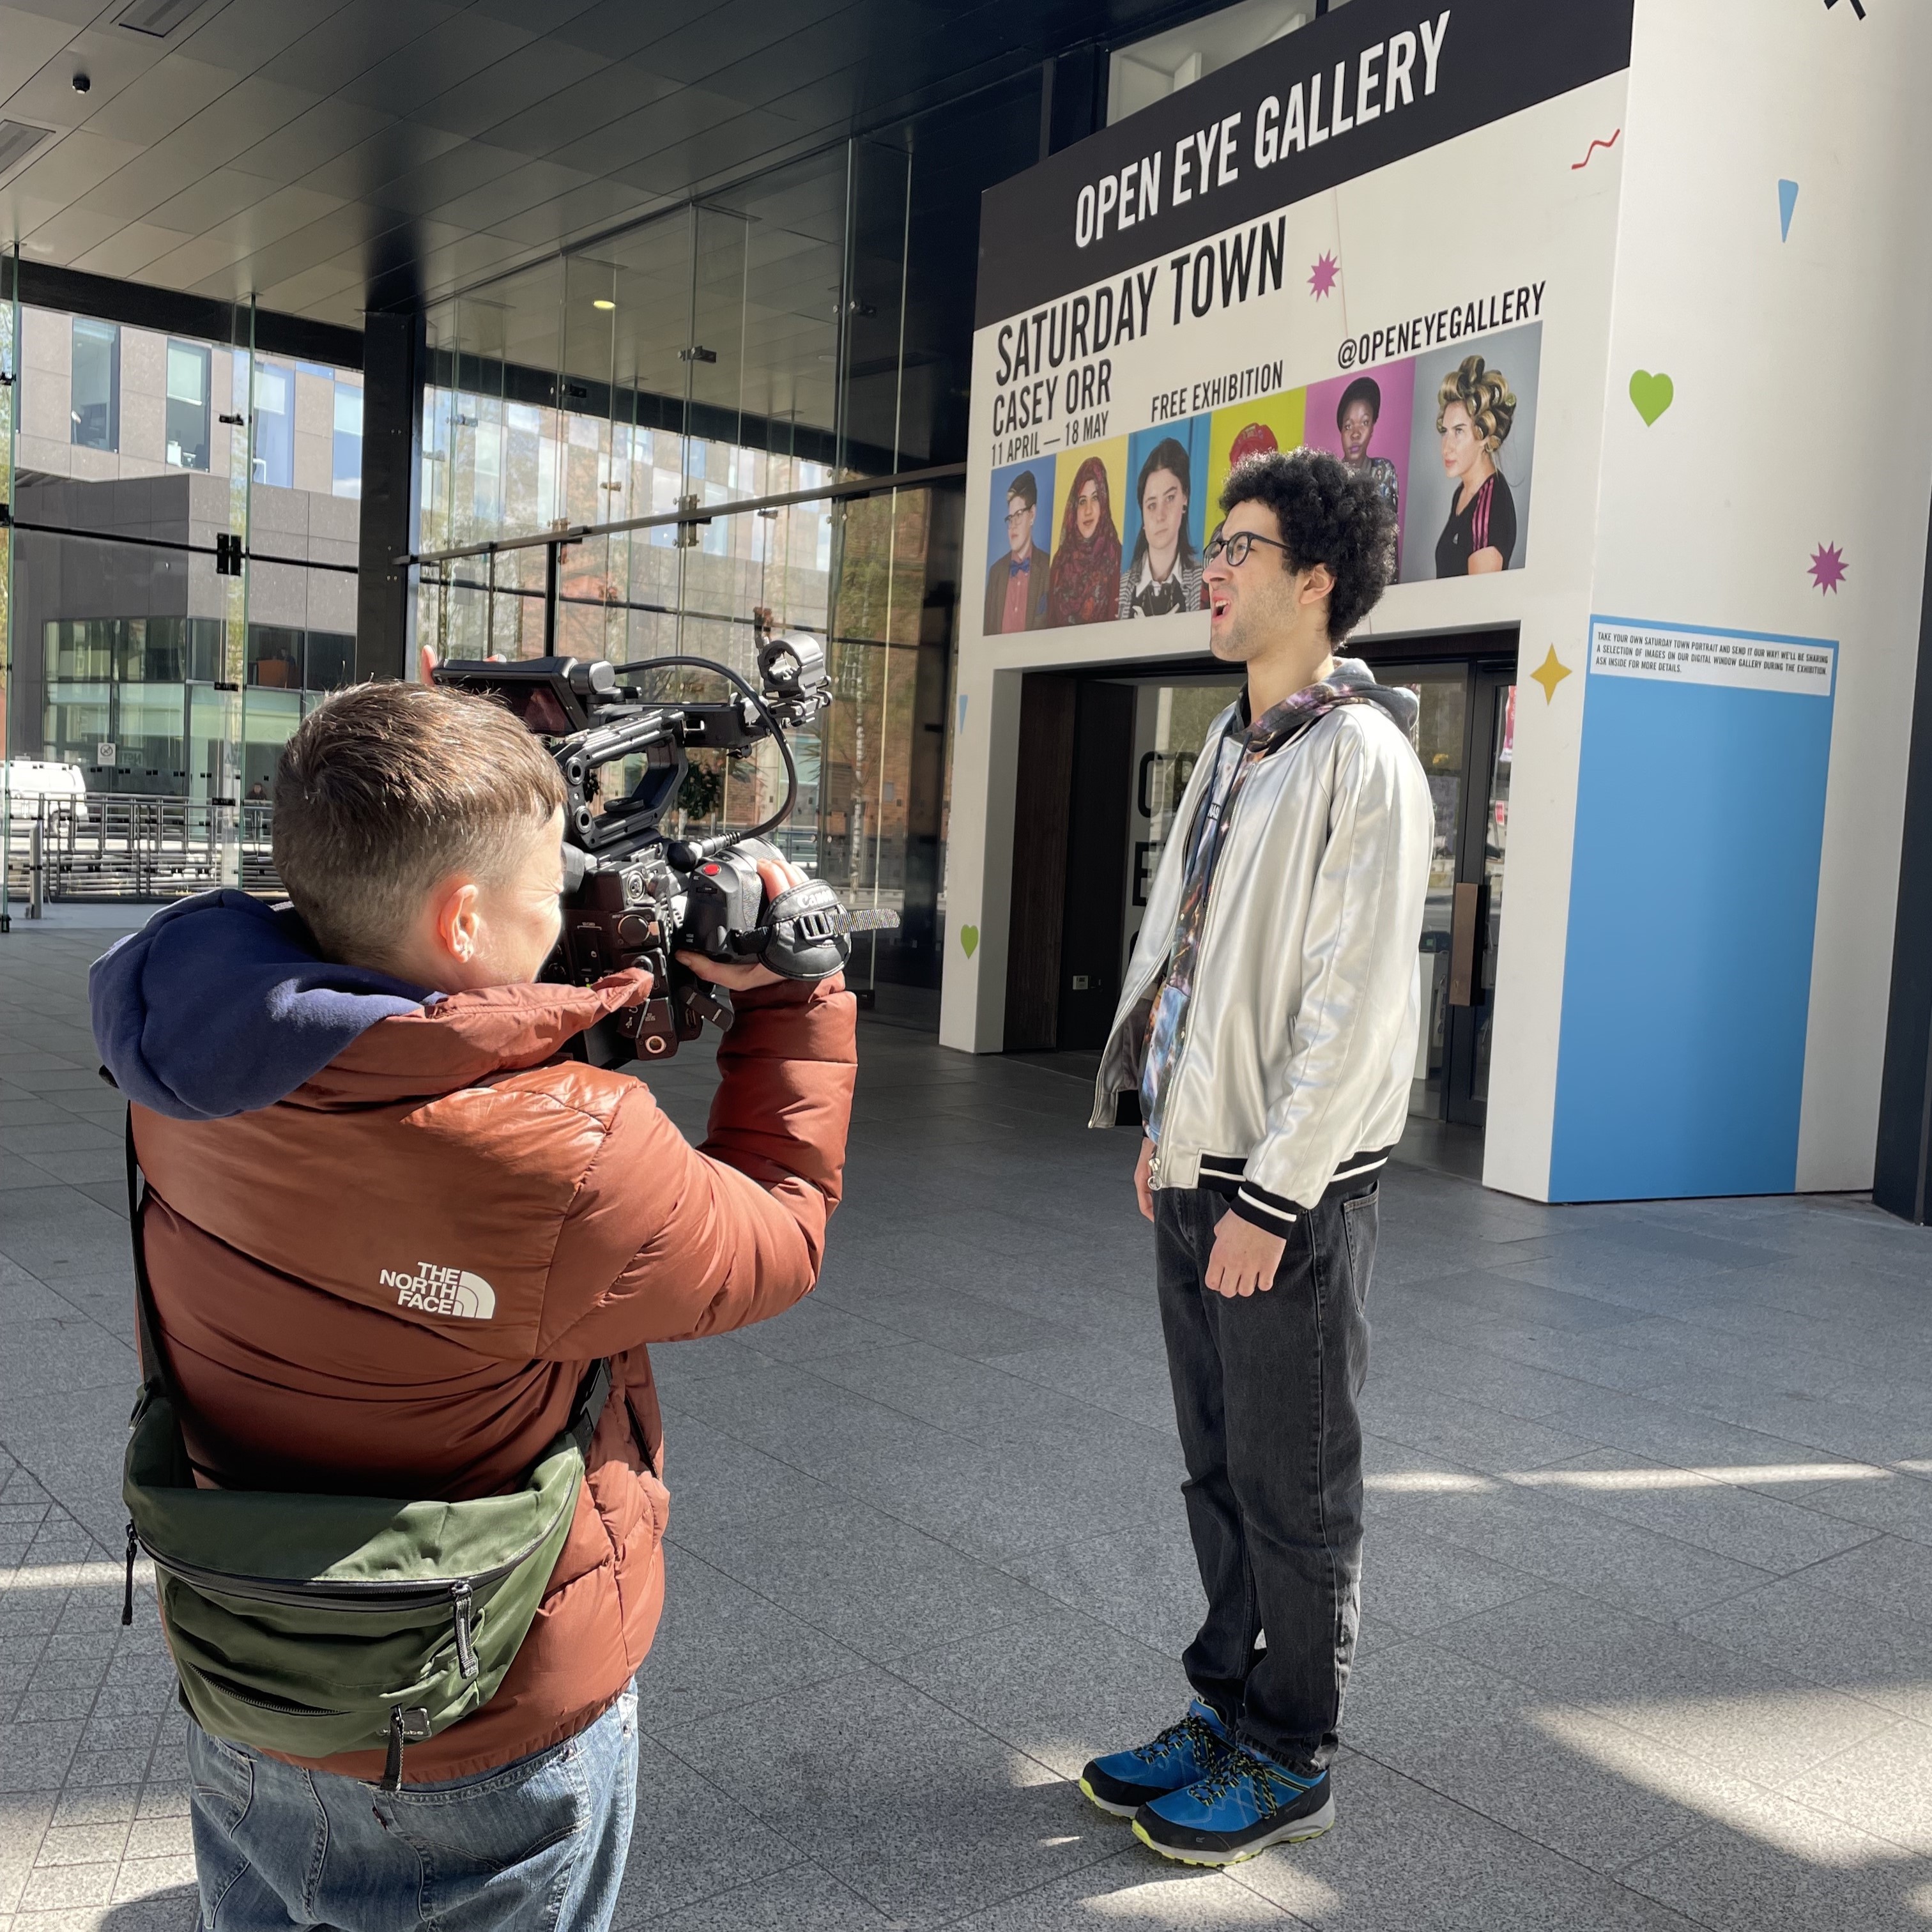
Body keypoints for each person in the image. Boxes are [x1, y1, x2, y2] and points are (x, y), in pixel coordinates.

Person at [89, 681, 855, 1932]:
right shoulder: (576, 1160)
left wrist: (547, 1005)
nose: (570, 905)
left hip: (249, 1670)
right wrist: (798, 999)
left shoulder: (181, 1057)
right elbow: (777, 1232)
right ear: (460, 921)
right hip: (480, 1721)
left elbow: (400, 1070)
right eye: (547, 883)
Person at [1082, 448, 1430, 1866]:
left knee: (1295, 1482)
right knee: (1214, 1469)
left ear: (1315, 582)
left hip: (1288, 1192)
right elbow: (1191, 956)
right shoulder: (1234, 744)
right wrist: (1166, 1126)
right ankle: (1225, 1706)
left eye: (1241, 547)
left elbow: (1349, 1013)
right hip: (1202, 1165)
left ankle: (1294, 1746)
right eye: (1212, 547)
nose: (1210, 570)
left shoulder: (1365, 759)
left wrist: (1270, 1199)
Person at [1432, 355, 1517, 576]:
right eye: (1445, 431)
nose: (1446, 447)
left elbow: (1478, 607)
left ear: (1484, 436)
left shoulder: (1491, 505)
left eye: (1459, 431)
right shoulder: (1462, 492)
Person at [1118, 437, 1203, 618]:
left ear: (1185, 498)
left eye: (1170, 498)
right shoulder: (1121, 587)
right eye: (1151, 505)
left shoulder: (1203, 581)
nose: (1160, 516)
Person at [1046, 455, 1122, 625]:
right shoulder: (1060, 563)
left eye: (1095, 498)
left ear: (1104, 504)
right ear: (1074, 510)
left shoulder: (1118, 558)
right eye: (1082, 501)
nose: (1088, 510)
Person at [983, 468, 1050, 632]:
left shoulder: (1049, 567)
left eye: (1019, 515)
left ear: (1032, 514)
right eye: (1010, 518)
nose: (1013, 525)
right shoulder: (996, 572)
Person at [1335, 376, 1400, 519]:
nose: (1356, 434)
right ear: (1341, 432)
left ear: (1372, 429)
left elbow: (1389, 533)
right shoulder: (1331, 479)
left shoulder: (1385, 472)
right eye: (1348, 426)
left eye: (1364, 423)